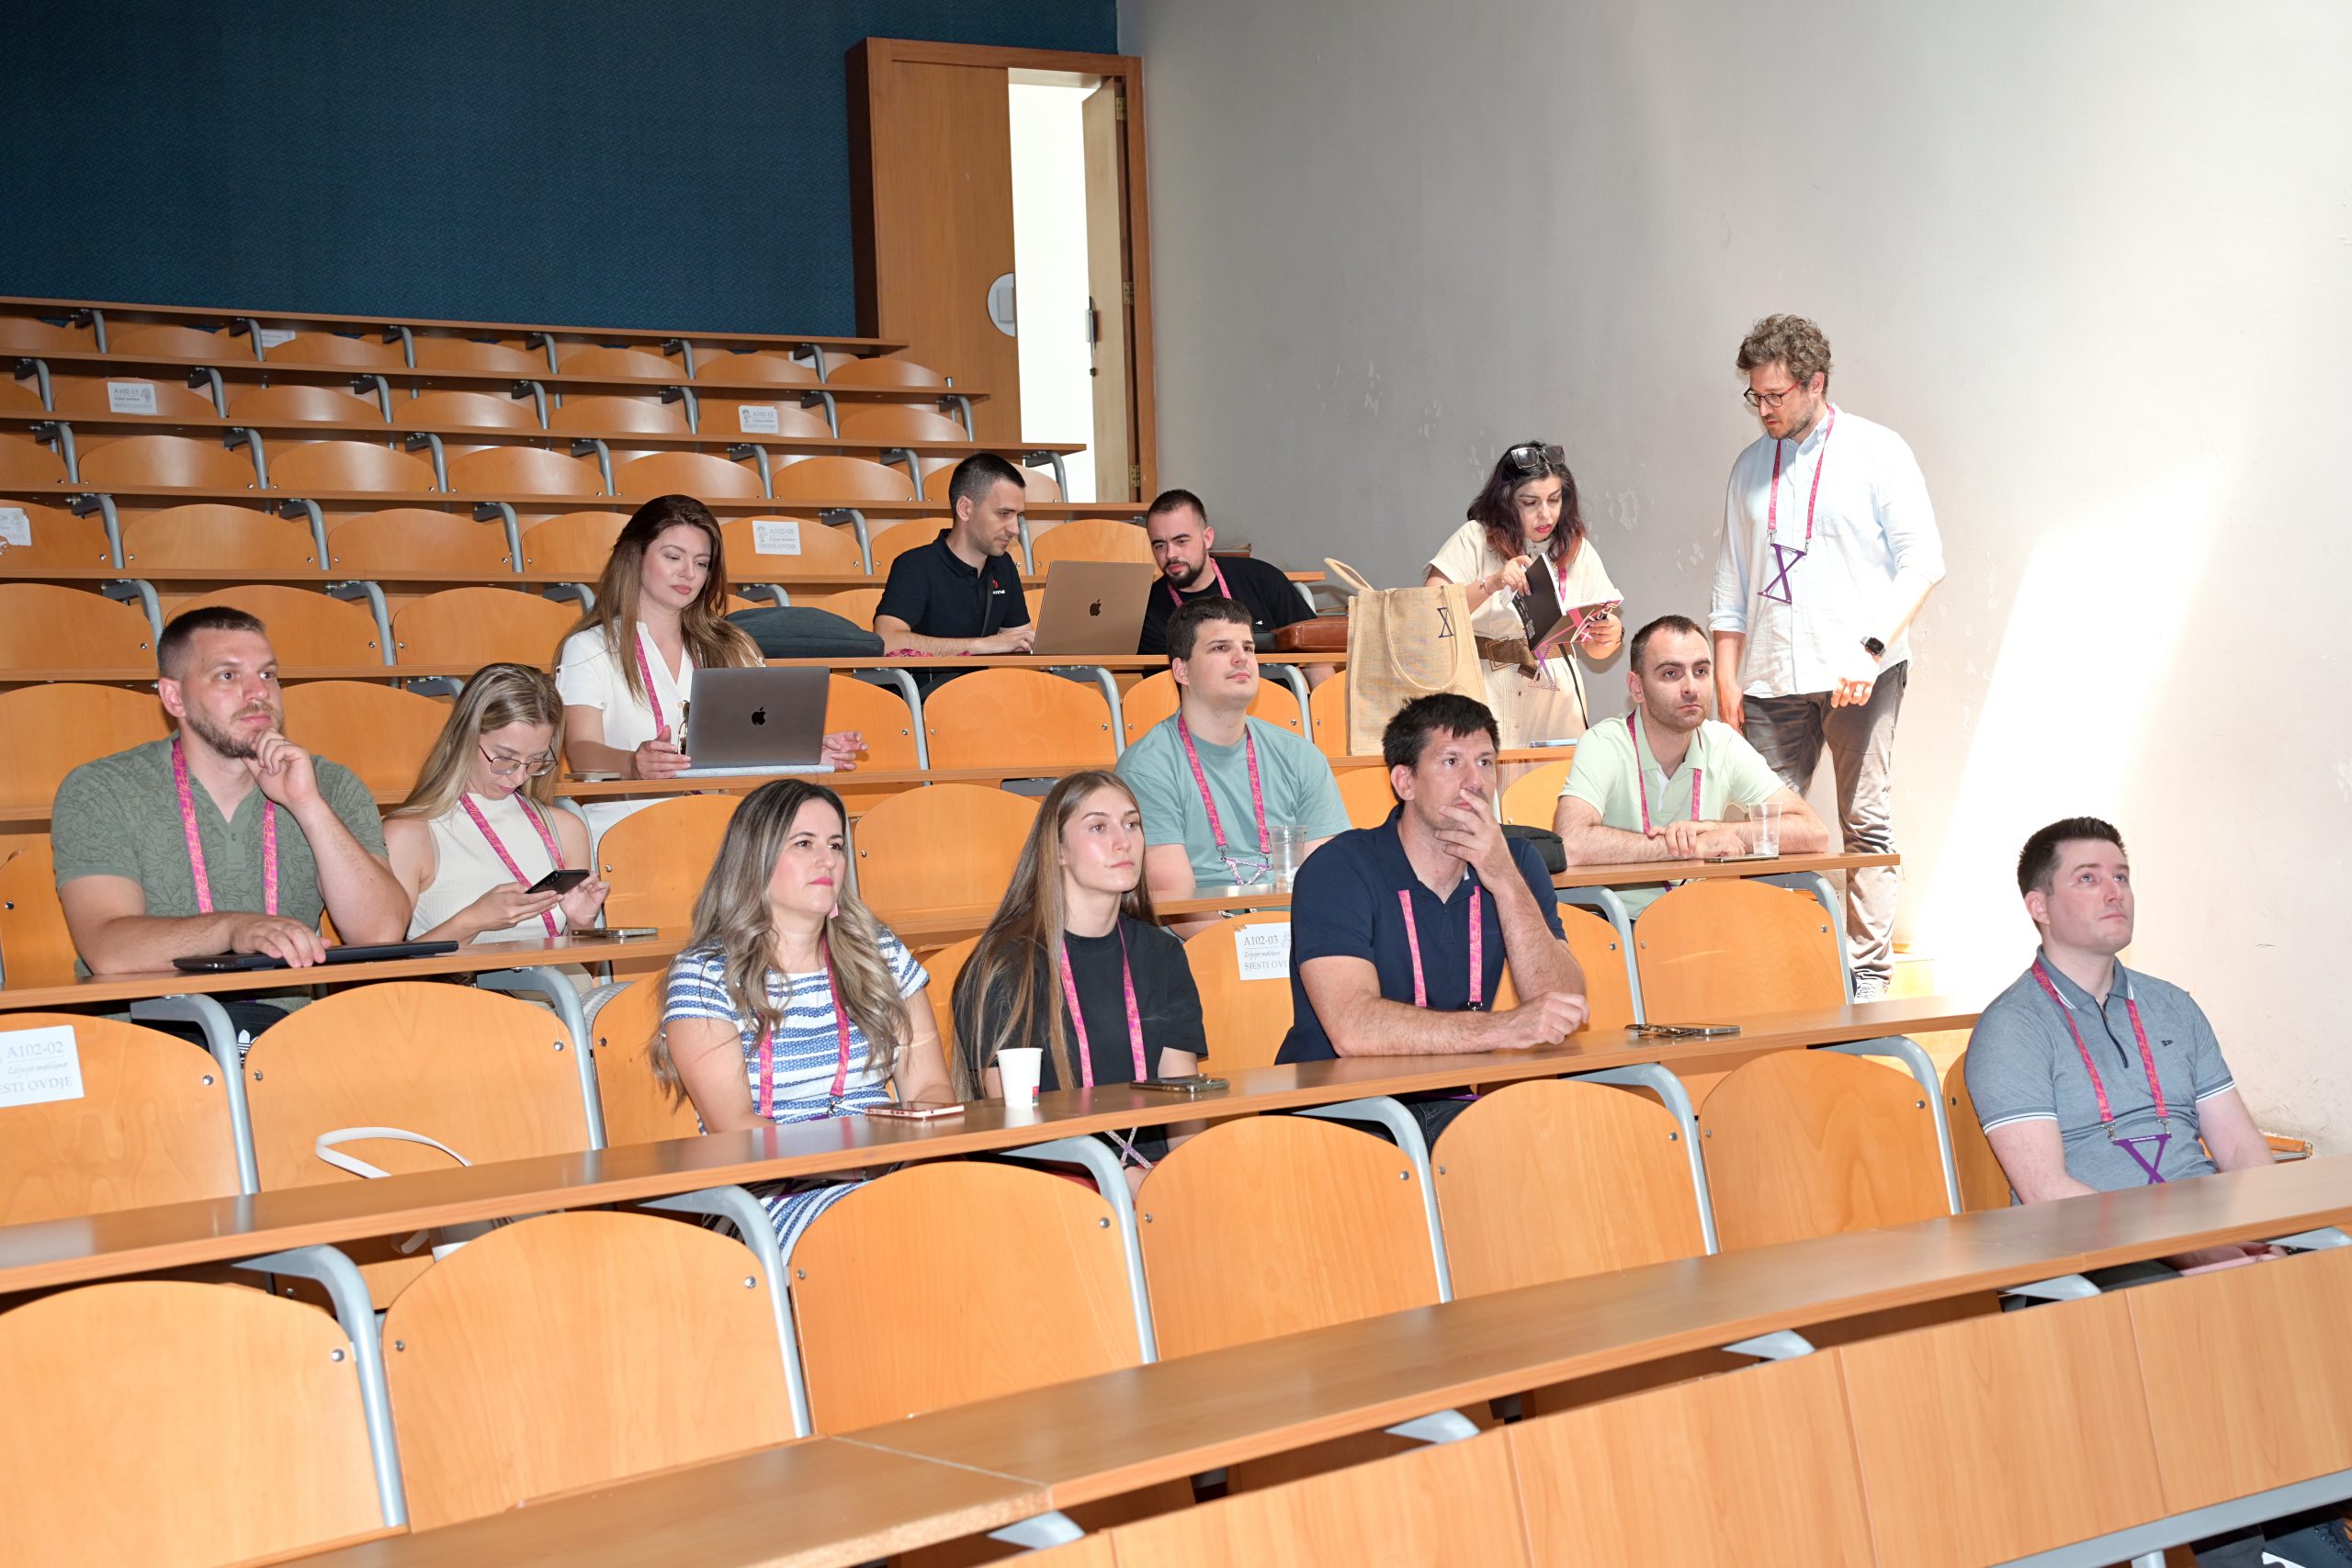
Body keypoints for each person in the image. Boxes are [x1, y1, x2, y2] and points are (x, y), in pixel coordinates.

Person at [1964, 818, 2348, 1568]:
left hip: (2209, 1239)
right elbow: (2048, 1193)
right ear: (2039, 906)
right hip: (2089, 1257)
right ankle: (2241, 1552)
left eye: (2122, 874)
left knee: (2327, 1272)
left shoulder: (2173, 1006)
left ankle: (2305, 1521)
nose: (2115, 890)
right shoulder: (2012, 1028)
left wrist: (2273, 1232)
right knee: (2193, 1323)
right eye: (2088, 877)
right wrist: (2195, 1251)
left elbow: (2240, 1148)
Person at [1709, 315, 1945, 999]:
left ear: (1816, 383)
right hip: (1769, 677)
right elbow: (1730, 581)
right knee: (1765, 830)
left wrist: (1870, 650)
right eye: (1755, 396)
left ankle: (1868, 979)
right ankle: (1780, 974)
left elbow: (1923, 561)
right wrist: (1726, 678)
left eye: (1776, 395)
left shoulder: (1878, 451)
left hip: (1860, 675)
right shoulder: (1749, 466)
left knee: (1863, 824)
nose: (1764, 409)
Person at [51, 606, 411, 1027]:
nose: (258, 692)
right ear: (174, 697)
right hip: (149, 1038)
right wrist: (232, 930)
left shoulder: (329, 784)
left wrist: (307, 805)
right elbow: (106, 947)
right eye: (228, 675)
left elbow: (380, 931)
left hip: (288, 1035)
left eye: (268, 674)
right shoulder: (103, 788)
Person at [656, 778, 952, 1252]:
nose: (827, 860)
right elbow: (734, 1128)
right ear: (755, 860)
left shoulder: (880, 953)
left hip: (889, 1172)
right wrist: (857, 1159)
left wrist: (904, 1166)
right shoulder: (705, 974)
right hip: (769, 1192)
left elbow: (931, 1090)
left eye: (835, 845)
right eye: (804, 844)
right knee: (895, 1236)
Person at [1277, 693, 1589, 1142]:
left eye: (1485, 762)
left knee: (1573, 1143)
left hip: (1450, 1103)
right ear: (1405, 781)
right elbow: (1353, 1029)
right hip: (1338, 1109)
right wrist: (1503, 1027)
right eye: (1451, 762)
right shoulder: (1338, 868)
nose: (1474, 781)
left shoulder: (1517, 861)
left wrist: (1506, 882)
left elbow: (1563, 1004)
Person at [952, 771, 1207, 1182]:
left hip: (1152, 1175)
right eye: (1098, 827)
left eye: (1131, 824)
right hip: (1052, 1180)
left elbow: (1183, 1114)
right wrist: (1114, 1178)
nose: (1123, 841)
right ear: (1058, 851)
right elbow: (1015, 1133)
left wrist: (1181, 1182)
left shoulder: (1163, 954)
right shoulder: (1005, 966)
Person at [555, 493, 860, 833]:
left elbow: (755, 739)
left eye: (701, 563)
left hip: (722, 827)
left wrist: (802, 751)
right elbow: (581, 751)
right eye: (673, 557)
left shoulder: (733, 645)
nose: (688, 573)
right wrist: (631, 764)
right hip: (626, 827)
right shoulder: (589, 647)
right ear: (635, 556)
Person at [1553, 615, 1827, 916]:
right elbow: (1571, 843)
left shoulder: (1723, 742)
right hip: (1618, 926)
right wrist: (1688, 848)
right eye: (1671, 673)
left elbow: (1813, 832)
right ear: (1637, 687)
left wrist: (1717, 832)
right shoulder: (1603, 743)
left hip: (1700, 925)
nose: (1691, 687)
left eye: (1701, 671)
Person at [1116, 598, 1351, 916]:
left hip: (1297, 933)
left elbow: (1329, 881)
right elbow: (1177, 908)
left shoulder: (1300, 756)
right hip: (1205, 939)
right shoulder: (1147, 768)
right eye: (1220, 648)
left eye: (1248, 648)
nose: (1241, 658)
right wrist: (1243, 946)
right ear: (1182, 670)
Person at [385, 663, 608, 943]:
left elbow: (576, 965)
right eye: (505, 758)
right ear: (464, 737)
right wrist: (472, 921)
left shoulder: (566, 829)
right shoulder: (408, 834)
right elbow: (386, 968)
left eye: (536, 760)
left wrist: (579, 924)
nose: (519, 777)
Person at [1425, 442, 1623, 747]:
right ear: (1505, 500)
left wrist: (1609, 635)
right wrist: (1490, 584)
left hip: (1555, 700)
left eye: (1554, 500)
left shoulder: (1575, 548)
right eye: (1530, 503)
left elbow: (1596, 650)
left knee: (1550, 777)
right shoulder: (1476, 538)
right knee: (1485, 771)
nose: (1546, 514)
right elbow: (1428, 613)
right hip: (1484, 688)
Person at [1136, 489, 1326, 683]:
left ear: (1207, 538)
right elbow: (1167, 690)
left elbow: (1316, 658)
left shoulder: (1261, 578)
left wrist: (1325, 704)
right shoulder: (1147, 610)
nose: (1170, 554)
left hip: (1280, 701)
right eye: (1159, 545)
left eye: (1181, 541)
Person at [872, 452, 1036, 657]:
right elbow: (887, 641)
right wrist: (980, 646)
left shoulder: (1004, 565)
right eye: (1003, 514)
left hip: (989, 679)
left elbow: (1021, 641)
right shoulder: (915, 566)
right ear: (965, 509)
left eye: (1018, 516)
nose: (1015, 529)